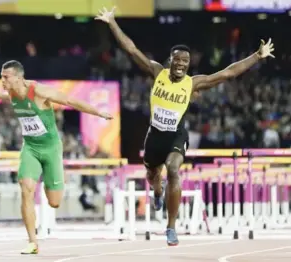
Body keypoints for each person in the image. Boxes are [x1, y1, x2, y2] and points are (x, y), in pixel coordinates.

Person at [96, 6, 275, 246]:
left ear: (189, 64)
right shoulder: (157, 71)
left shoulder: (193, 83)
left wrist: (257, 55)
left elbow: (227, 74)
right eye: (178, 60)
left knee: (172, 169)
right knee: (152, 176)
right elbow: (131, 49)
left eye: (186, 61)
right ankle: (157, 192)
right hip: (155, 136)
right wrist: (111, 22)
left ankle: (171, 227)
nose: (181, 64)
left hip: (176, 136)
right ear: (170, 60)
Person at [0, 60, 112, 254]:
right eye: (1, 76)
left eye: (5, 77)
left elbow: (69, 101)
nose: (2, 80)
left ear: (19, 77)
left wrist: (98, 112)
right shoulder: (9, 92)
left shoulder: (39, 91)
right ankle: (32, 242)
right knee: (26, 188)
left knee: (54, 202)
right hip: (30, 148)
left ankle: (56, 175)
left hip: (51, 149)